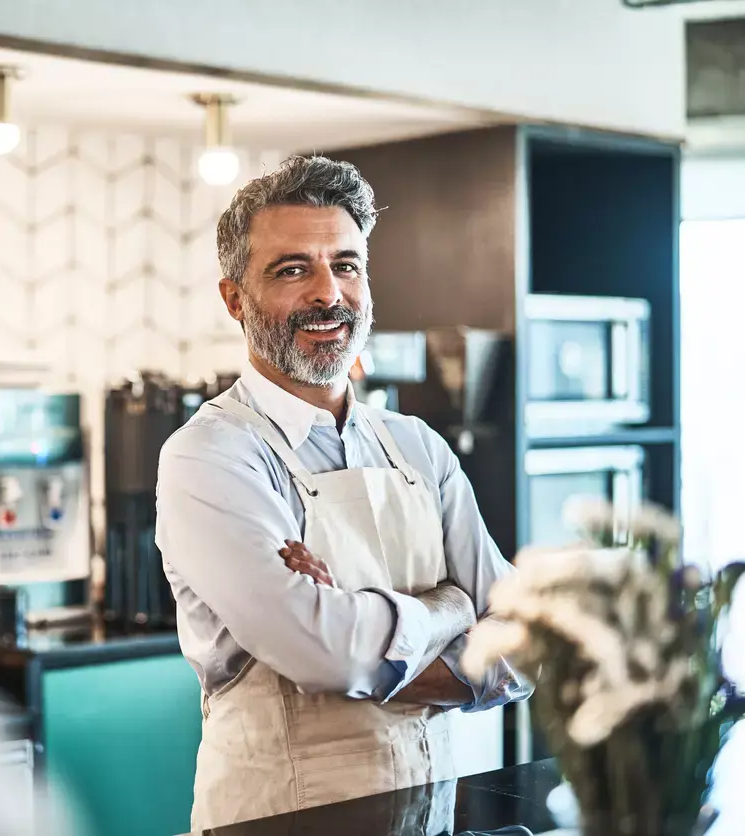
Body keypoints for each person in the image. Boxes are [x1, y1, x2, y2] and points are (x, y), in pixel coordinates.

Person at [155, 155, 532, 832]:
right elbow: (327, 656)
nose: (328, 293)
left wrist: (360, 636)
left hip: (426, 816)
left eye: (346, 264)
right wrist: (449, 607)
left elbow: (525, 646)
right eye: (292, 269)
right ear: (234, 299)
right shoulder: (210, 456)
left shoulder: (417, 446)